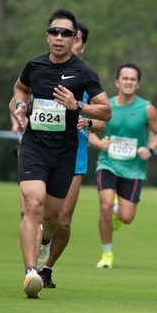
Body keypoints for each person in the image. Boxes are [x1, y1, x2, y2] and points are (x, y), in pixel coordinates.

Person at [12, 8, 111, 299]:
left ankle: (44, 242)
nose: (59, 37)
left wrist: (77, 106)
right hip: (34, 146)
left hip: (65, 151)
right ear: (47, 36)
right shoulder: (34, 65)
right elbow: (20, 89)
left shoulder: (84, 72)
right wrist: (18, 106)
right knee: (33, 204)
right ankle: (31, 272)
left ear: (74, 39)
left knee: (54, 218)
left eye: (66, 33)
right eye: (54, 32)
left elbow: (106, 111)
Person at [36, 19, 108, 289]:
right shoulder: (42, 70)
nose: (66, 40)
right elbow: (22, 96)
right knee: (41, 213)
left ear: (81, 45)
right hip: (42, 150)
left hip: (73, 154)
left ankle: (46, 268)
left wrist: (86, 121)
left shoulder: (87, 78)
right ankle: (33, 262)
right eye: (60, 34)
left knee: (63, 221)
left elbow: (102, 122)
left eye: (74, 38)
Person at [90, 62, 157, 269]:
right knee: (104, 205)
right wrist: (99, 143)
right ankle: (107, 255)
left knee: (126, 217)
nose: (129, 82)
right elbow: (90, 132)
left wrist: (150, 149)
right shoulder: (106, 107)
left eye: (133, 79)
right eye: (125, 78)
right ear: (117, 82)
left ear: (138, 84)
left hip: (133, 169)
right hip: (108, 163)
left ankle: (117, 210)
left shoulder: (146, 108)